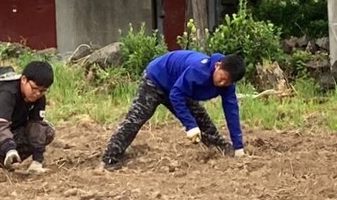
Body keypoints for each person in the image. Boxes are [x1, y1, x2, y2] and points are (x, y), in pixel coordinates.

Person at [101, 51, 247, 170]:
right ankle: (110, 157)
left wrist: (238, 145)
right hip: (156, 80)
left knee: (201, 119)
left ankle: (221, 148)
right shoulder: (198, 71)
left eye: (227, 82)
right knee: (136, 118)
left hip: (179, 87)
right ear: (217, 66)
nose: (222, 83)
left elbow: (231, 111)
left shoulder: (227, 85)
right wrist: (190, 126)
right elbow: (176, 95)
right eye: (221, 78)